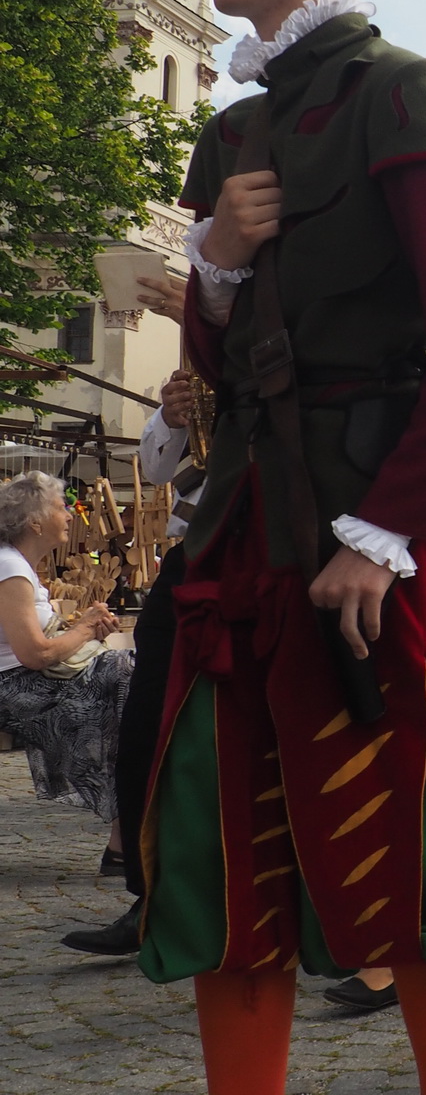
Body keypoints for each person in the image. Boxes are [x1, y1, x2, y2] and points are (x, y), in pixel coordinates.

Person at [144, 0, 426, 1091]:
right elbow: (218, 367)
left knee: (407, 851)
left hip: (374, 537)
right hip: (241, 540)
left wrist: (385, 534)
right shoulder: (235, 132)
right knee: (223, 867)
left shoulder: (405, 94)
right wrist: (218, 258)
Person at [63, 361, 196, 958]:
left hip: (285, 553)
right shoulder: (212, 354)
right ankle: (152, 899)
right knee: (148, 727)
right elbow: (161, 470)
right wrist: (172, 416)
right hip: (197, 554)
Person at [0, 472, 129, 833]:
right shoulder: (9, 566)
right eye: (61, 508)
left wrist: (84, 629)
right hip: (16, 685)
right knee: (127, 681)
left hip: (27, 680)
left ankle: (130, 816)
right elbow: (35, 654)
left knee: (128, 680)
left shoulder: (17, 565)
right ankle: (129, 819)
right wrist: (85, 628)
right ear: (35, 522)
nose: (70, 515)